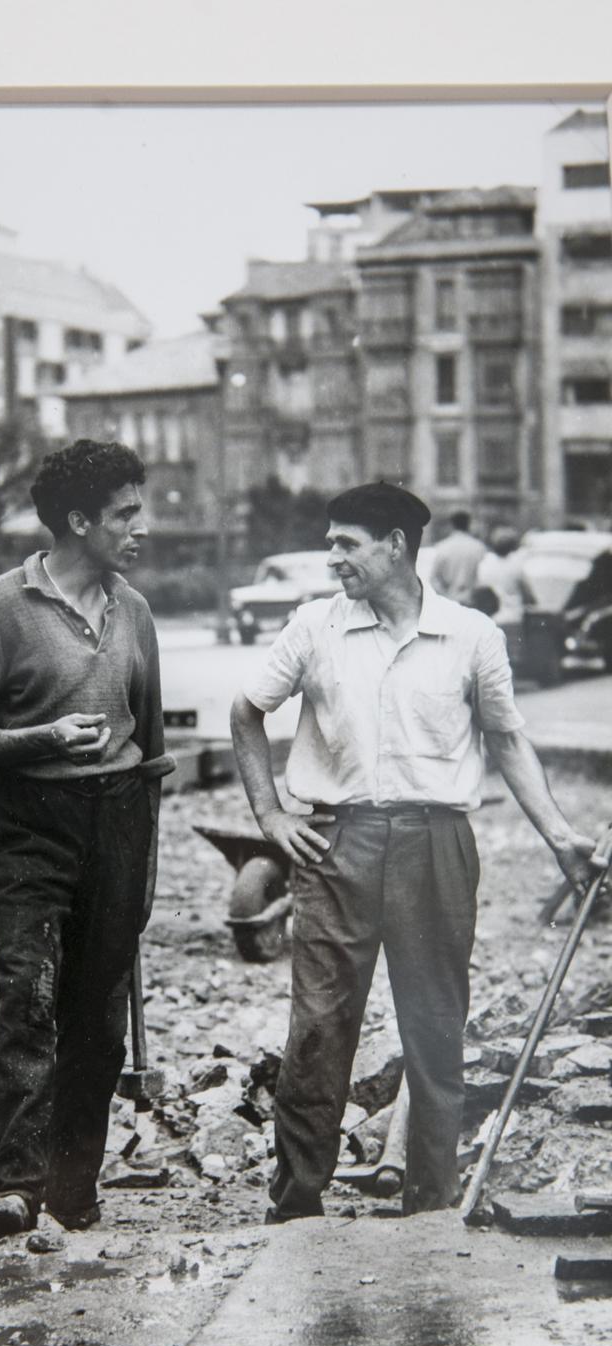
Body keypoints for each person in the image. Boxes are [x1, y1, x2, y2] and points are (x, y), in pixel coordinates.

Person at [230, 481, 599, 1221]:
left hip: (438, 844)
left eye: (347, 544)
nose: (333, 558)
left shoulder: (470, 634)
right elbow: (246, 710)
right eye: (331, 543)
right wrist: (270, 813)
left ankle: (429, 1201)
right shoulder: (313, 628)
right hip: (337, 845)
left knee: (434, 1024)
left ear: (396, 545)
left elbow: (507, 738)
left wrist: (560, 836)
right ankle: (297, 1199)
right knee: (320, 1025)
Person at [0, 439, 174, 1240]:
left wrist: (144, 856)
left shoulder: (134, 611)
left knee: (98, 1019)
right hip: (30, 824)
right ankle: (10, 1189)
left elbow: (152, 744)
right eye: (126, 513)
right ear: (79, 521)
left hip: (120, 823)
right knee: (28, 999)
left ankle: (74, 1190)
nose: (142, 527)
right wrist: (40, 738)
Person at [473, 525, 536, 664]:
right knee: (511, 660)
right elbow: (528, 594)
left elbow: (479, 588)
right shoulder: (516, 565)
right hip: (513, 617)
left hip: (491, 617)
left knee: (493, 659)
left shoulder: (485, 564)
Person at [429, 509, 485, 606]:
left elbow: (434, 579)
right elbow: (483, 578)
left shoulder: (441, 547)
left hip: (449, 600)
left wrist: (446, 595)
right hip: (471, 602)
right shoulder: (479, 547)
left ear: (452, 525)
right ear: (468, 524)